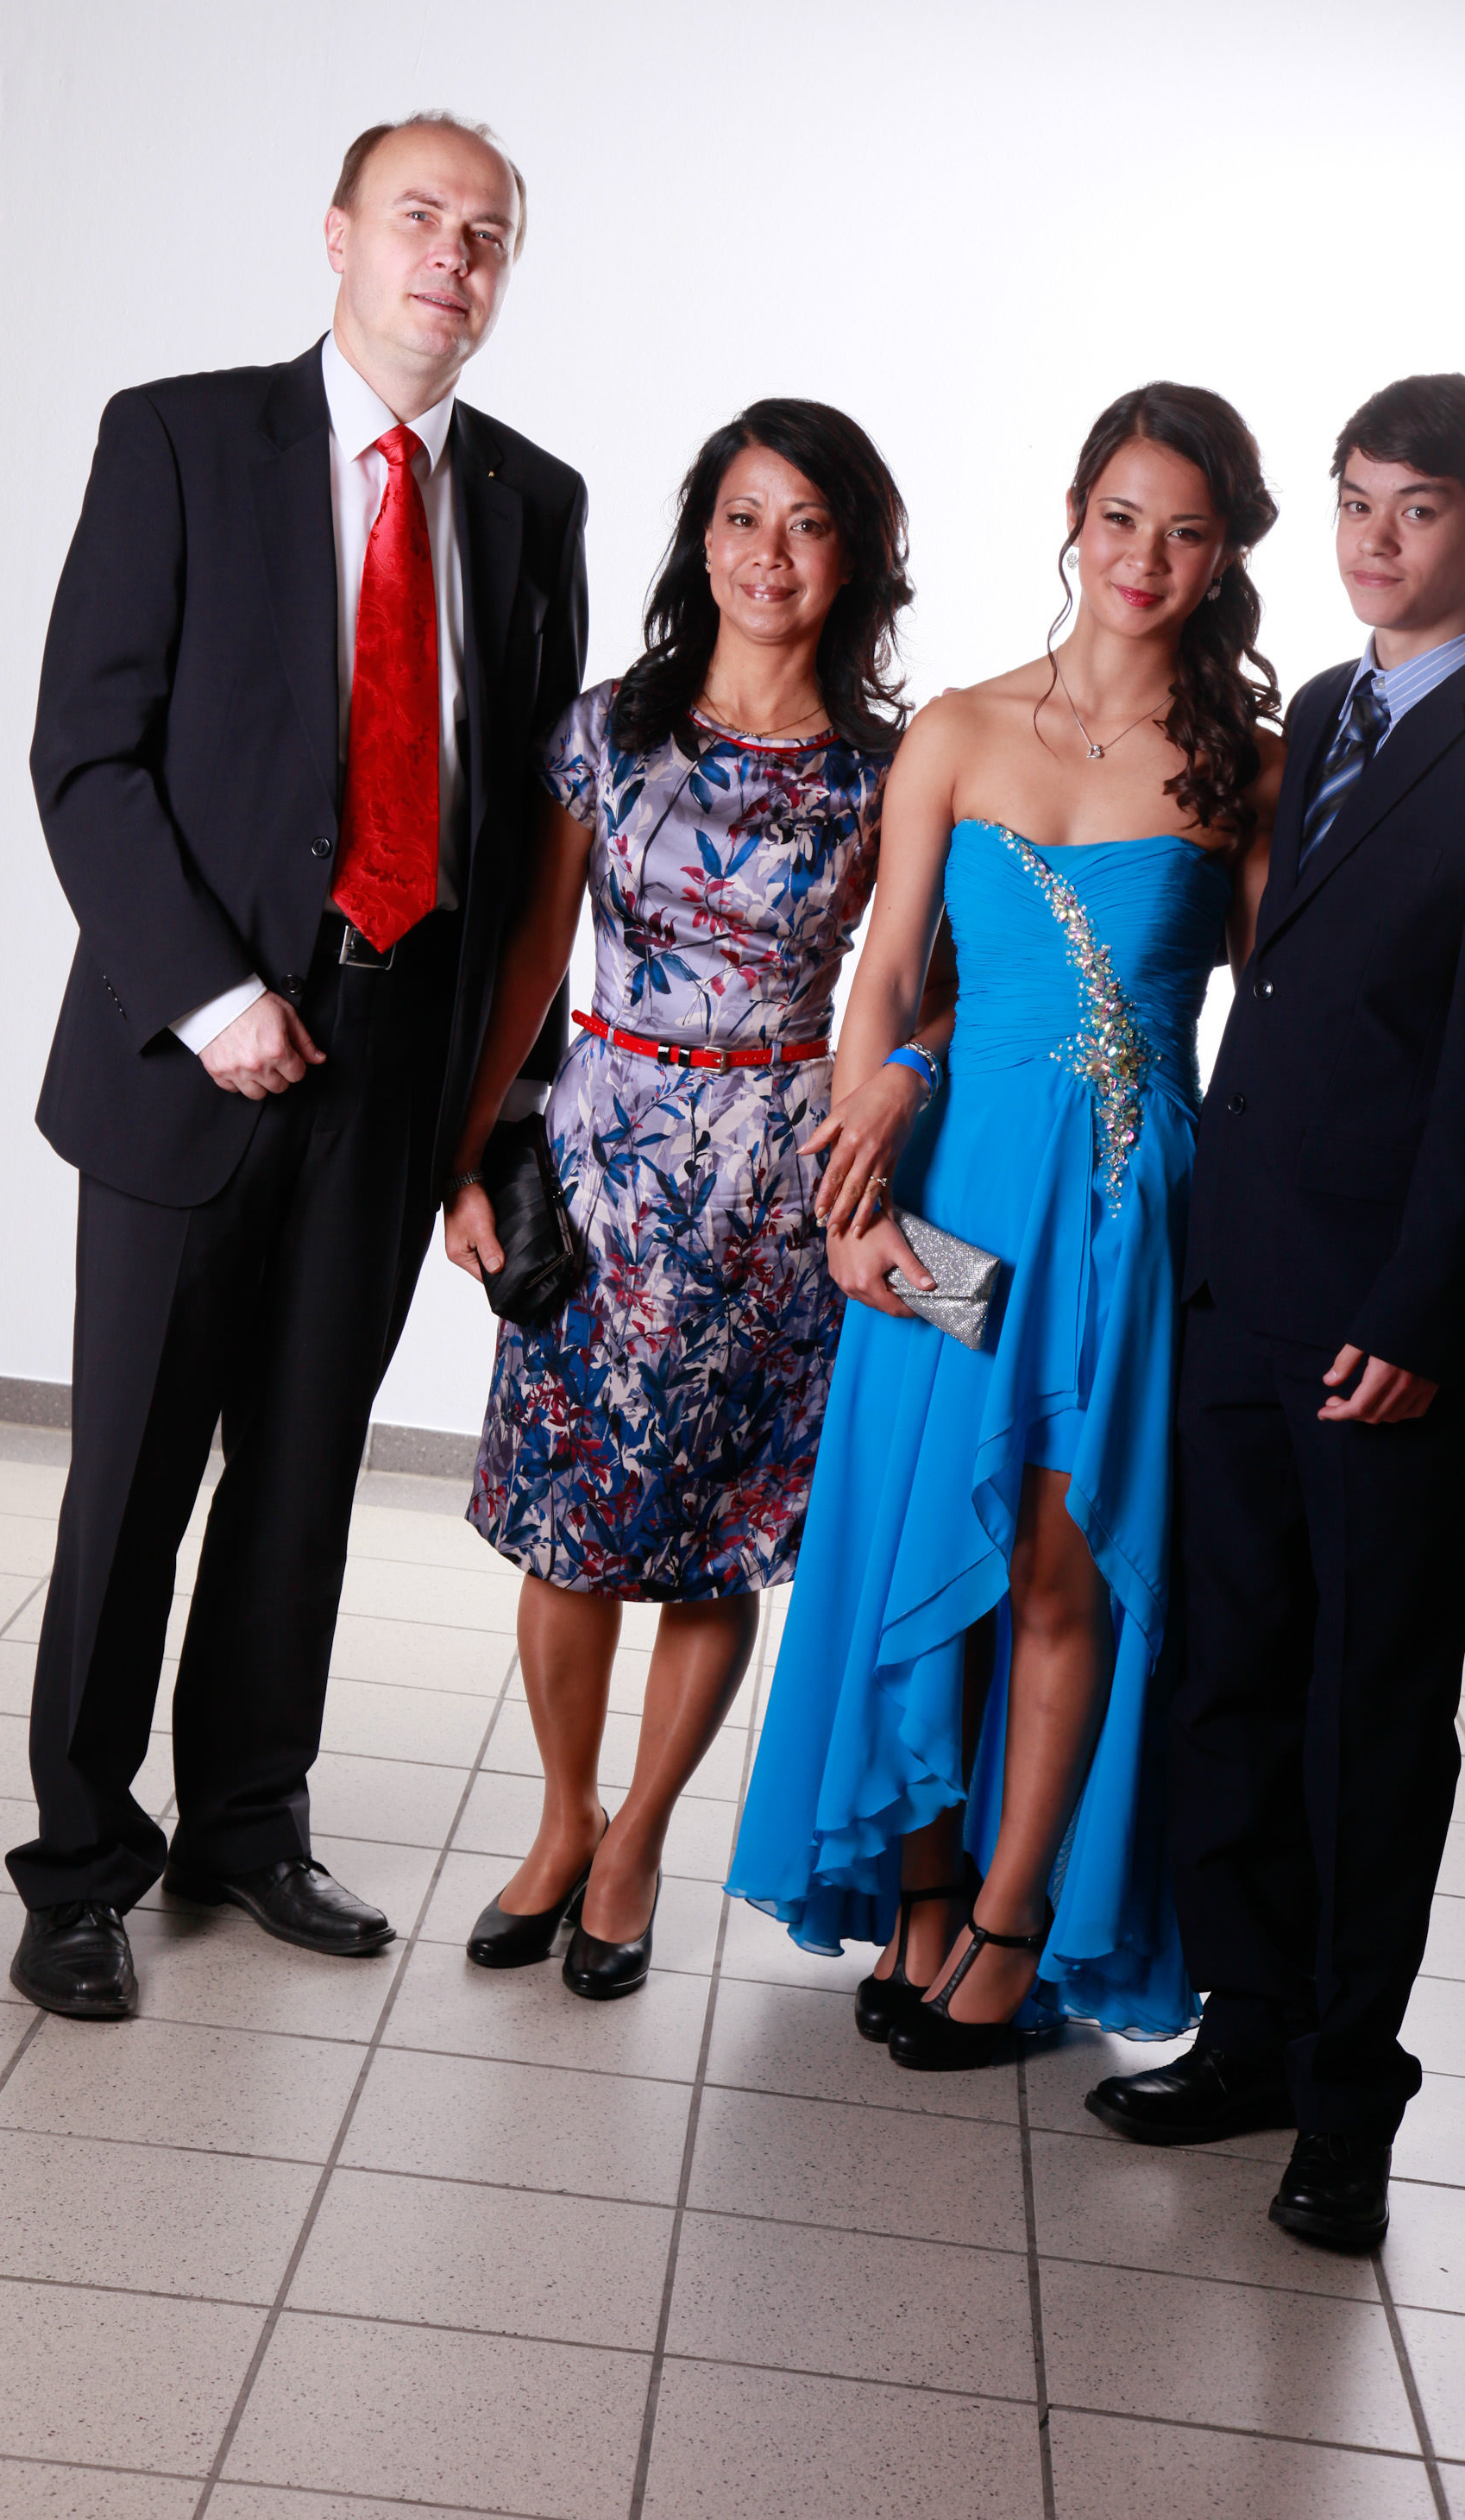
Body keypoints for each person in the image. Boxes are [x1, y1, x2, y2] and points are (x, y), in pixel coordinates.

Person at [9, 112, 588, 2019]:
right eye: (420, 216)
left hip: (401, 1063)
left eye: (486, 233)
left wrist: (495, 1112)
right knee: (133, 1480)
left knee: (305, 1470)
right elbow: (86, 755)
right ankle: (80, 1865)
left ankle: (249, 1822)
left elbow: (526, 840)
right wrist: (210, 997)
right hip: (197, 1054)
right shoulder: (179, 441)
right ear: (337, 235)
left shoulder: (531, 501)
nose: (452, 256)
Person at [1089, 375, 1465, 2250]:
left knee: (1367, 1710)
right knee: (1232, 1664)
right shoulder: (1317, 710)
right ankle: (1245, 2027)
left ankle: (1344, 2102)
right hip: (1240, 1280)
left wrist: (1422, 1308)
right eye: (1355, 502)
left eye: (1420, 510)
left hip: (1386, 1316)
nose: (1375, 541)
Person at [727, 384, 1284, 2068]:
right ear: (1073, 514)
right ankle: (919, 1893)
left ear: (1223, 556)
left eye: (1185, 532)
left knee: (1058, 1562)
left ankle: (1012, 1917)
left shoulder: (1247, 769)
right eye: (1120, 518)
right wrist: (854, 1191)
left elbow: (1286, 1032)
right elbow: (889, 973)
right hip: (955, 1204)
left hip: (1123, 1218)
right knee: (922, 1532)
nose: (1143, 557)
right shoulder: (960, 730)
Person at [443, 400, 949, 2000]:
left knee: (716, 1541)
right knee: (568, 1525)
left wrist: (899, 1075)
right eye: (743, 517)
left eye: (807, 523)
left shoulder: (890, 771)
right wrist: (467, 1155)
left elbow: (934, 984)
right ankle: (562, 1820)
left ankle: (640, 1841)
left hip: (777, 1190)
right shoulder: (607, 729)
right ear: (702, 538)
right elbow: (534, 954)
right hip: (602, 1166)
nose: (768, 554)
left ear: (853, 557)